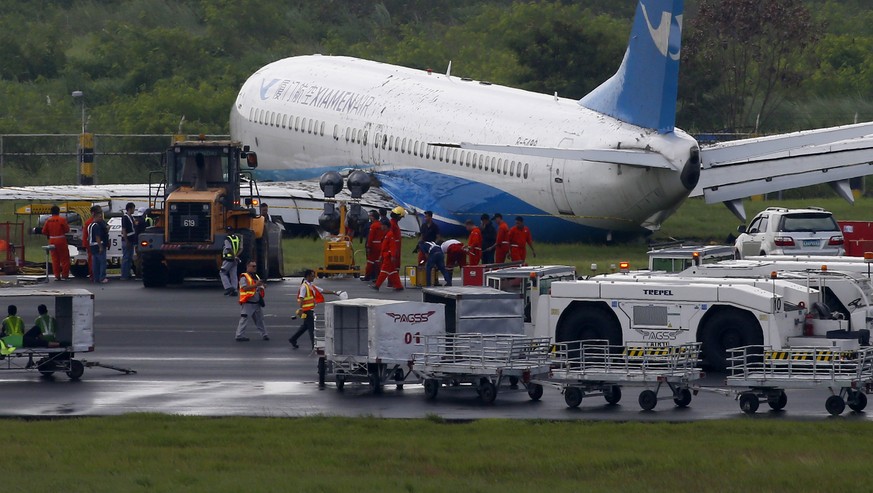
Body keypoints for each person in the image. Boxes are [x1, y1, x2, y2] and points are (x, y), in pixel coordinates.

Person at [289, 269, 340, 349]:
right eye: (312, 276)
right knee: (311, 329)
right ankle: (314, 346)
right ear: (308, 276)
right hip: (307, 311)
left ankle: (293, 339)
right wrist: (301, 309)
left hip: (309, 310)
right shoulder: (304, 286)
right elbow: (301, 298)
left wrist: (335, 293)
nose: (314, 277)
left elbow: (322, 290)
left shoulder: (311, 286)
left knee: (305, 327)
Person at [235, 260, 269, 342]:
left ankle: (264, 334)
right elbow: (244, 288)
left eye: (255, 266)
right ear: (247, 267)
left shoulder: (256, 276)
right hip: (248, 302)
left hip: (256, 302)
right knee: (244, 319)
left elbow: (258, 287)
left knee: (260, 320)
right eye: (252, 266)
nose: (254, 268)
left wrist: (262, 286)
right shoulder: (244, 277)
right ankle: (239, 335)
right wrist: (256, 285)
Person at [371, 220, 403, 291]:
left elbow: (392, 247)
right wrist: (381, 255)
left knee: (384, 271)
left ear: (385, 226)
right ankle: (398, 286)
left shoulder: (390, 235)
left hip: (388, 256)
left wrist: (392, 256)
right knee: (392, 272)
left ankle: (377, 285)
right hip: (386, 255)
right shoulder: (387, 234)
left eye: (382, 225)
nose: (381, 226)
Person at [42, 204, 70, 281]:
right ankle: (65, 275)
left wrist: (49, 234)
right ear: (58, 212)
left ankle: (57, 276)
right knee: (64, 258)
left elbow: (44, 231)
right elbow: (67, 230)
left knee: (55, 259)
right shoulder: (62, 219)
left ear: (51, 212)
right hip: (61, 240)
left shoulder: (48, 220)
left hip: (52, 240)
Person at [88, 210, 109, 283]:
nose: (101, 218)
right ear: (96, 217)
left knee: (95, 263)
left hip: (92, 246)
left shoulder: (90, 225)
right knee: (102, 262)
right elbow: (97, 237)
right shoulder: (96, 226)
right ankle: (102, 277)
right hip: (97, 245)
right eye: (99, 217)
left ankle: (96, 278)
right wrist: (100, 246)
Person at [82, 205, 102, 281]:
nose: (100, 214)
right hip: (91, 244)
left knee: (95, 260)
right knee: (92, 260)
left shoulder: (96, 221)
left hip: (94, 243)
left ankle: (96, 274)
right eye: (99, 212)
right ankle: (93, 274)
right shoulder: (90, 222)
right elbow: (86, 235)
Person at [363, 210, 384, 282]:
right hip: (380, 245)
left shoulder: (373, 226)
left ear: (373, 217)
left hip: (374, 245)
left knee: (370, 261)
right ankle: (377, 276)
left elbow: (370, 237)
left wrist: (368, 246)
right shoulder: (381, 225)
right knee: (378, 261)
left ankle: (367, 276)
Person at [220, 230, 242, 296]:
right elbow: (241, 248)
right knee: (233, 274)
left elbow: (228, 248)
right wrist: (236, 256)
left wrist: (234, 256)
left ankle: (228, 287)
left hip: (228, 259)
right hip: (235, 259)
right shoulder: (237, 238)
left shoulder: (227, 239)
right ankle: (234, 290)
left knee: (222, 272)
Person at [120, 202, 137, 280]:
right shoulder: (125, 217)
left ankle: (128, 273)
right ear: (130, 209)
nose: (134, 210)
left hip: (131, 240)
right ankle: (124, 275)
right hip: (127, 240)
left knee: (129, 257)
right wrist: (126, 241)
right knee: (126, 257)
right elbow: (124, 229)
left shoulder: (131, 217)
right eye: (133, 208)